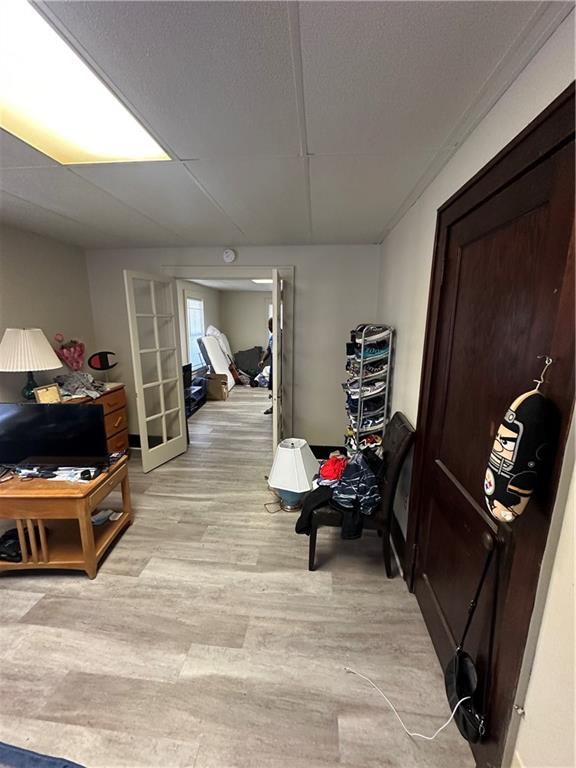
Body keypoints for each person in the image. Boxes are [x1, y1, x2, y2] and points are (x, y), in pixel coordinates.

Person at [259, 317, 273, 415]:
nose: (268, 327)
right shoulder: (272, 337)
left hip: (282, 369)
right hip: (273, 367)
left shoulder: (282, 335)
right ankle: (273, 407)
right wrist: (262, 360)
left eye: (269, 325)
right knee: (273, 388)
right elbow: (268, 349)